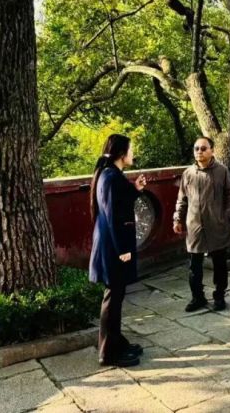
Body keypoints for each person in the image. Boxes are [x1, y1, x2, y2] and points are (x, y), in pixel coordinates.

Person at [89, 134, 146, 367]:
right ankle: (108, 353)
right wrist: (123, 249)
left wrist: (136, 190)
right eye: (131, 150)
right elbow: (113, 216)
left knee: (117, 297)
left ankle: (117, 343)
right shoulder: (111, 176)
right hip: (114, 248)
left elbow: (120, 203)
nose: (133, 154)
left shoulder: (112, 175)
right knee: (112, 299)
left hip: (113, 245)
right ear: (122, 153)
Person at [174, 136, 230, 312]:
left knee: (219, 264)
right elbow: (182, 199)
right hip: (195, 225)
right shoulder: (188, 173)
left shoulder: (222, 171)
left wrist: (227, 216)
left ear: (212, 150)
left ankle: (219, 296)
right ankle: (197, 297)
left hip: (217, 225)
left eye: (203, 148)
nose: (199, 152)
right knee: (194, 265)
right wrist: (177, 219)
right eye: (196, 148)